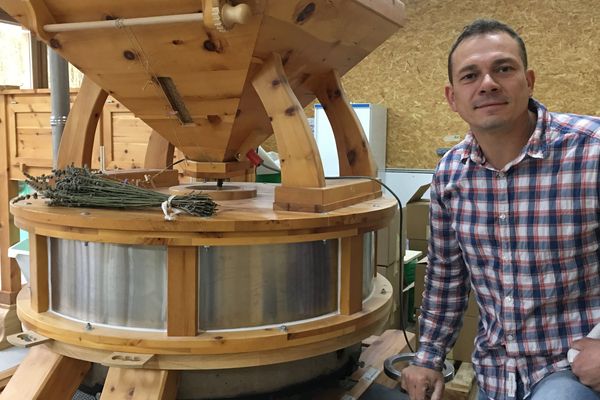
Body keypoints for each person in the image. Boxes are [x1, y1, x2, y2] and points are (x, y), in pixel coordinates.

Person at [400, 19, 600, 400]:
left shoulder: (591, 151)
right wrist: (427, 357)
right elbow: (446, 278)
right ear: (452, 97)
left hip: (573, 370)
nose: (487, 83)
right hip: (495, 373)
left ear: (529, 80)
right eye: (470, 75)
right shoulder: (451, 175)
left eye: (503, 69)